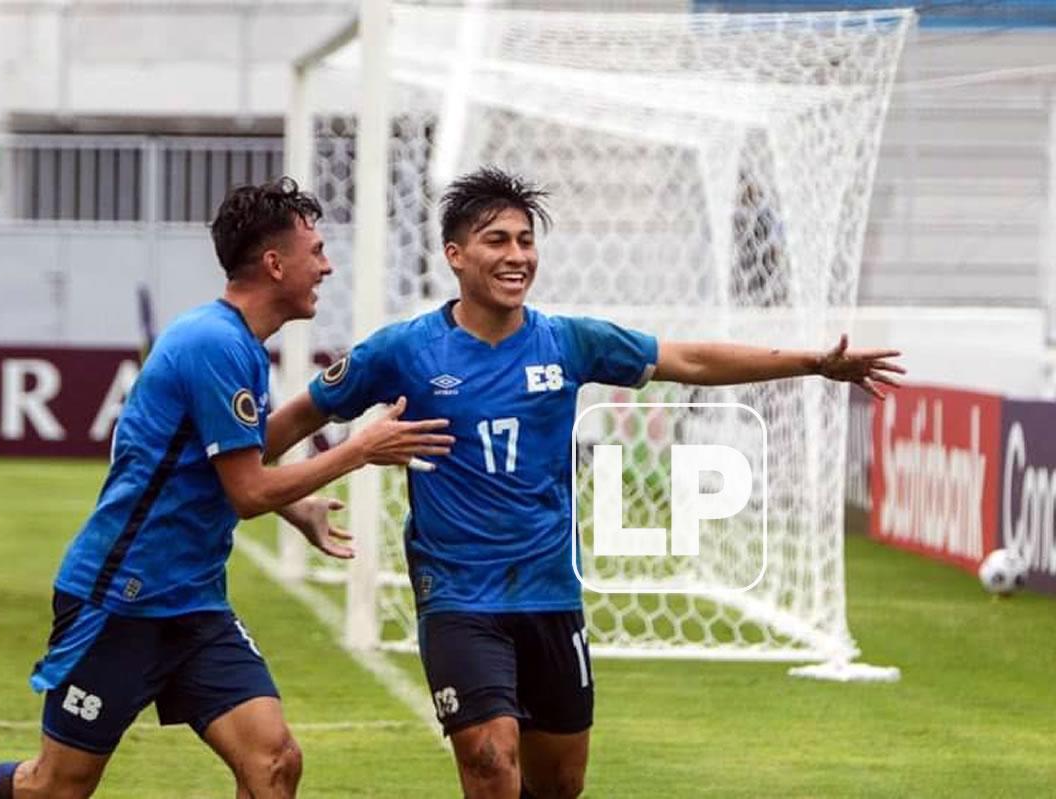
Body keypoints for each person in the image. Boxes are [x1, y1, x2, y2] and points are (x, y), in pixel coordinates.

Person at [293, 166, 904, 799]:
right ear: (455, 255)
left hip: (550, 595)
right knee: (489, 759)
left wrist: (812, 362)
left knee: (559, 784)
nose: (516, 255)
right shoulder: (404, 350)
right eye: (496, 240)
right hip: (457, 597)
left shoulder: (569, 341)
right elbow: (297, 418)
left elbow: (687, 360)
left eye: (525, 240)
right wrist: (288, 494)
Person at [0, 177, 454, 799]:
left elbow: (237, 461)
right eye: (316, 251)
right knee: (53, 787)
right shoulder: (212, 342)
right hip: (121, 600)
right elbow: (248, 491)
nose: (328, 266)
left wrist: (302, 498)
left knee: (274, 761)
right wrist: (358, 452)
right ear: (274, 262)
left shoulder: (239, 344)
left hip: (193, 604)